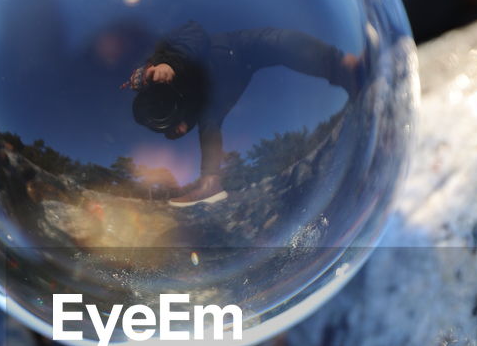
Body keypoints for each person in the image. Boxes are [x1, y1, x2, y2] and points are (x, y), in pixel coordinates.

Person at [123, 20, 362, 206]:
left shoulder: (161, 57)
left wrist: (168, 63)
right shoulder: (164, 108)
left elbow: (194, 32)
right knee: (209, 122)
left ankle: (346, 68)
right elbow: (178, 120)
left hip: (230, 49)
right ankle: (210, 183)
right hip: (216, 91)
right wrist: (181, 125)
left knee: (276, 41)